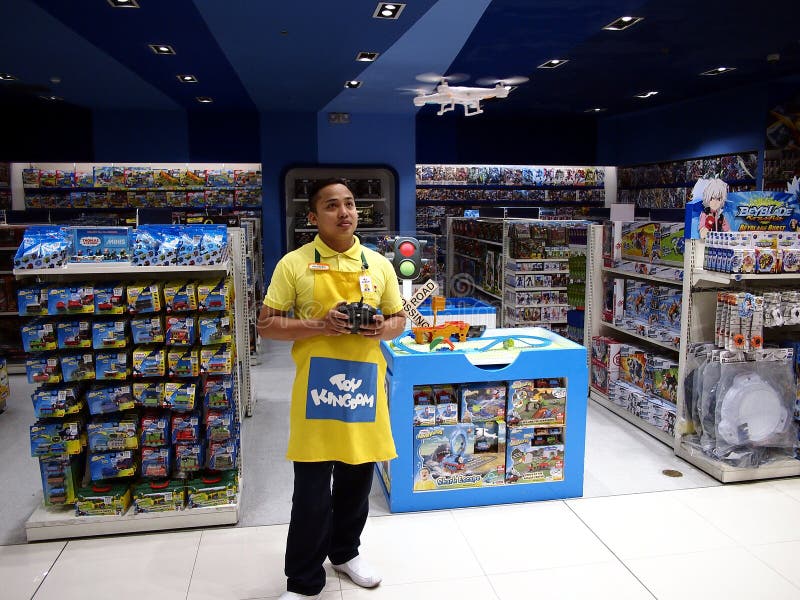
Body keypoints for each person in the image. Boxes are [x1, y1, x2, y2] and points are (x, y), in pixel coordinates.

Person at [258, 178, 407, 600]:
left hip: (364, 388)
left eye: (349, 204)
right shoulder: (294, 264)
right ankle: (304, 581)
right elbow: (267, 323)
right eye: (331, 206)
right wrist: (319, 324)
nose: (344, 212)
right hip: (315, 393)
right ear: (313, 217)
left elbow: (399, 320)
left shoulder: (379, 265)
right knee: (309, 493)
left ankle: (345, 552)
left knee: (357, 482)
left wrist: (382, 327)